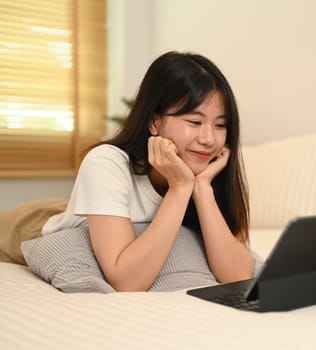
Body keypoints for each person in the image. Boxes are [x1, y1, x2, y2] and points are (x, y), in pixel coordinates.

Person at [41, 51, 255, 291]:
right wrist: (180, 187)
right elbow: (127, 282)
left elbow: (238, 277)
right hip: (39, 218)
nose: (208, 139)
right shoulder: (106, 163)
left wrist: (201, 187)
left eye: (220, 125)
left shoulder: (212, 174)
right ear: (155, 122)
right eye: (195, 122)